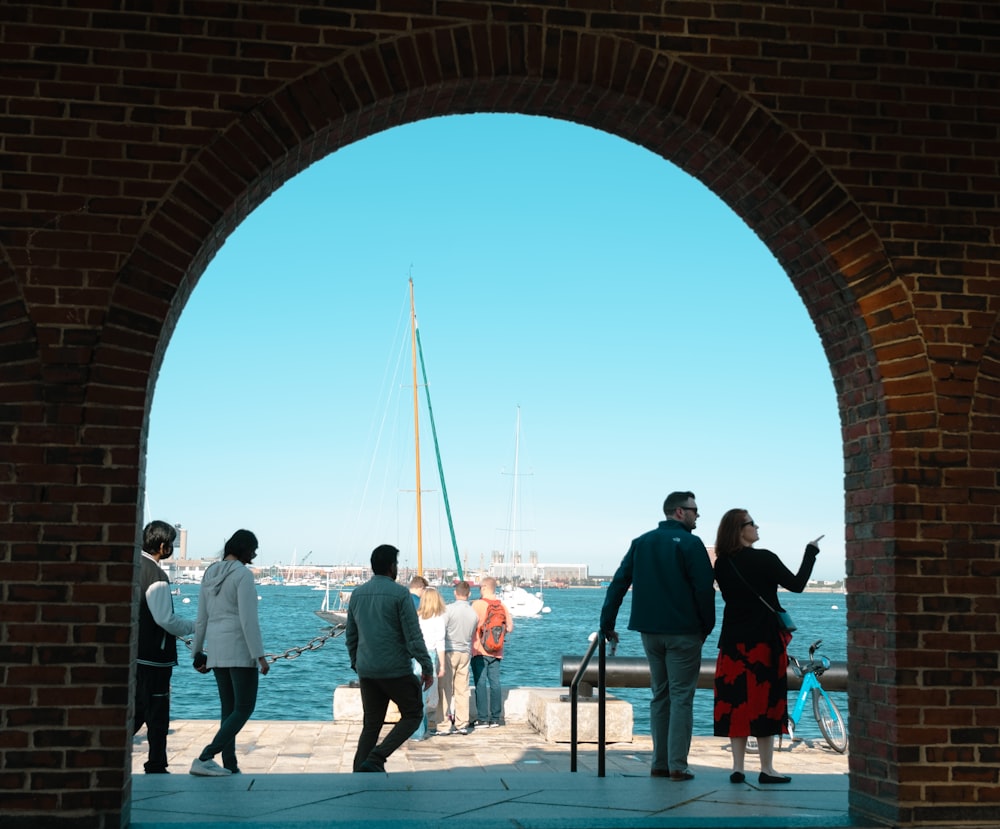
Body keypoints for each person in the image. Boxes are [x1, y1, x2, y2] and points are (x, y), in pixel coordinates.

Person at [600, 491, 715, 781]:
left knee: (660, 695)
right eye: (694, 509)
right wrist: (707, 627)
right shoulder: (691, 543)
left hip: (649, 632)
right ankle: (678, 765)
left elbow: (618, 584)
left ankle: (658, 763)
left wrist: (607, 623)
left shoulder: (641, 542)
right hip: (685, 632)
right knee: (681, 697)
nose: (697, 514)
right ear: (679, 512)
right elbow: (704, 589)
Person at [712, 509, 820, 785]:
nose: (757, 526)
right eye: (752, 523)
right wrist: (811, 551)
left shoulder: (722, 564)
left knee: (735, 701)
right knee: (766, 703)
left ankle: (737, 768)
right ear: (740, 530)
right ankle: (767, 769)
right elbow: (797, 585)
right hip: (764, 643)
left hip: (733, 642)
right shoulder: (765, 558)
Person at [346, 544, 434, 772]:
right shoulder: (400, 594)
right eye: (396, 564)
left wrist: (357, 663)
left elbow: (351, 636)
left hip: (367, 670)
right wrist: (427, 666)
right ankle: (377, 757)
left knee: (371, 724)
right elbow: (413, 636)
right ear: (391, 567)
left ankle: (359, 770)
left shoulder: (357, 595)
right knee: (413, 714)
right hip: (395, 670)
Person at [189, 529, 270, 777]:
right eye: (253, 549)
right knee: (244, 707)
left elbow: (201, 618)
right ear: (244, 548)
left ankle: (230, 764)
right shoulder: (243, 575)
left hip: (216, 647)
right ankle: (205, 756)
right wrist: (260, 655)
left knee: (228, 708)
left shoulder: (209, 572)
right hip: (239, 647)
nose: (255, 554)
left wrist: (196, 652)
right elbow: (248, 620)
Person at [134, 520, 195, 774]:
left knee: (137, 708)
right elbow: (165, 619)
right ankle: (156, 763)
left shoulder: (134, 567)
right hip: (154, 657)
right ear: (162, 545)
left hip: (136, 654)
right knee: (155, 713)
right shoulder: (156, 576)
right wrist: (195, 626)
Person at [431, 580, 479, 735]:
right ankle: (462, 724)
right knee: (462, 689)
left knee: (445, 689)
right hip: (465, 653)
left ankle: (444, 725)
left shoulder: (448, 610)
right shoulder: (474, 614)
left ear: (455, 593)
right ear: (469, 594)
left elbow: (440, 631)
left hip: (449, 652)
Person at [470, 576, 513, 728]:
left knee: (480, 683)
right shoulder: (502, 606)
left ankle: (482, 719)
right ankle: (495, 718)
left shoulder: (477, 605)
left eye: (480, 587)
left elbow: (470, 625)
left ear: (484, 588)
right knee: (495, 683)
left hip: (479, 650)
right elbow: (509, 628)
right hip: (497, 650)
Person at [414, 586, 447, 738]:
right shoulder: (439, 618)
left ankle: (418, 731)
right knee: (424, 694)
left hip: (415, 656)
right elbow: (440, 643)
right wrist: (442, 666)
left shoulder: (416, 616)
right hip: (430, 655)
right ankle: (421, 730)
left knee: (416, 694)